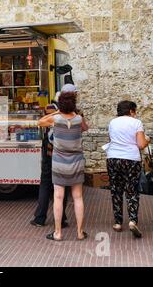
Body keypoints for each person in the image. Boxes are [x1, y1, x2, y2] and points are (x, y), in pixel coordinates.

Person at [38, 91, 89, 241]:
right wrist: (75, 113)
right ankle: (80, 232)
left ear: (60, 105)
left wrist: (58, 111)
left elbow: (40, 121)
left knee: (58, 197)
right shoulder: (79, 119)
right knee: (78, 197)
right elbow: (85, 127)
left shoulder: (56, 119)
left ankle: (58, 233)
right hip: (77, 161)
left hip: (59, 162)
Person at [105, 100, 150, 238]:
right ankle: (132, 221)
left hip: (113, 158)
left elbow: (112, 139)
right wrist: (148, 139)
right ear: (131, 111)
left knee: (116, 190)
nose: (135, 114)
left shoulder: (112, 122)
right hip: (131, 159)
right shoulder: (136, 123)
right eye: (135, 111)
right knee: (132, 190)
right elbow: (141, 144)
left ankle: (118, 223)